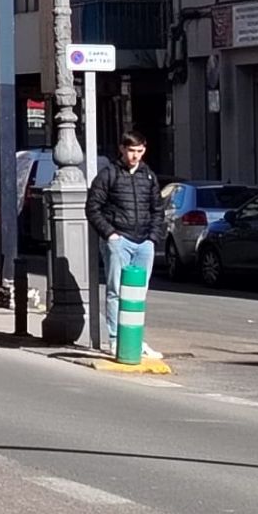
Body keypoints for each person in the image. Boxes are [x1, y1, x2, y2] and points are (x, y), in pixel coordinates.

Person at [86, 131, 162, 359]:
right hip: (120, 240)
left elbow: (157, 209)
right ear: (122, 149)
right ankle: (115, 339)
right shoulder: (109, 174)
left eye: (139, 151)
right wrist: (110, 234)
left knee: (138, 294)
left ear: (144, 150)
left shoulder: (148, 176)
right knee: (116, 291)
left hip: (144, 241)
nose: (135, 156)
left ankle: (134, 339)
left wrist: (152, 238)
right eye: (131, 151)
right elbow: (93, 207)